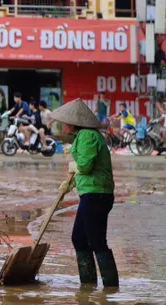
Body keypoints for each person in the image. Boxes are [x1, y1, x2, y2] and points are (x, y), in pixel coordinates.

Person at [52, 98, 118, 287]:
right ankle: (88, 285)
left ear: (74, 122)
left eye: (65, 121)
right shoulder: (82, 136)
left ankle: (111, 287)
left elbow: (84, 166)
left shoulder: (88, 136)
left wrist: (74, 166)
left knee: (96, 241)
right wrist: (69, 184)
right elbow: (83, 171)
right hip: (91, 193)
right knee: (79, 238)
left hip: (97, 194)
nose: (63, 124)